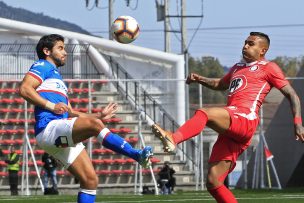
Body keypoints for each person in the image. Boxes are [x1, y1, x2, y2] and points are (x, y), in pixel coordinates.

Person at [152, 32, 304, 202]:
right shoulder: (238, 67)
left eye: (251, 43)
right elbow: (220, 84)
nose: (245, 46)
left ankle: (174, 138)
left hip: (246, 118)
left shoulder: (269, 67)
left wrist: (298, 123)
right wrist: (200, 79)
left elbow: (292, 94)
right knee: (213, 181)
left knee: (205, 113)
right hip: (232, 125)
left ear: (263, 50)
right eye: (245, 42)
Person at [19, 34, 153, 203]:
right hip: (49, 128)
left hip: (59, 131)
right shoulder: (42, 65)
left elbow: (71, 113)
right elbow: (24, 89)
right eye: (60, 48)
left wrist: (99, 116)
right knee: (95, 125)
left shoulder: (56, 79)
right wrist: (51, 106)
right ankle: (136, 155)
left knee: (90, 181)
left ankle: (136, 155)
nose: (65, 52)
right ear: (46, 51)